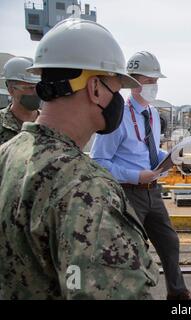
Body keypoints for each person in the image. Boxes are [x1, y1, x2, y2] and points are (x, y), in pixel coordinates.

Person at [0, 19, 159, 299]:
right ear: (96, 88)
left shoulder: (6, 154)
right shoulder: (86, 188)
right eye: (116, 87)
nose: (118, 100)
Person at [91, 51, 191, 300]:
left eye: (155, 81)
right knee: (131, 251)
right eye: (149, 81)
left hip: (152, 191)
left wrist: (172, 155)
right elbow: (98, 161)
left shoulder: (152, 114)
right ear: (134, 83)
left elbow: (147, 150)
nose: (154, 86)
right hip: (127, 193)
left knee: (169, 242)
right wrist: (135, 176)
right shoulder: (116, 116)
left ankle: (177, 292)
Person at [0, 56, 41, 145]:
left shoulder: (50, 123)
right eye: (29, 88)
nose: (36, 92)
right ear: (11, 90)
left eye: (38, 87)